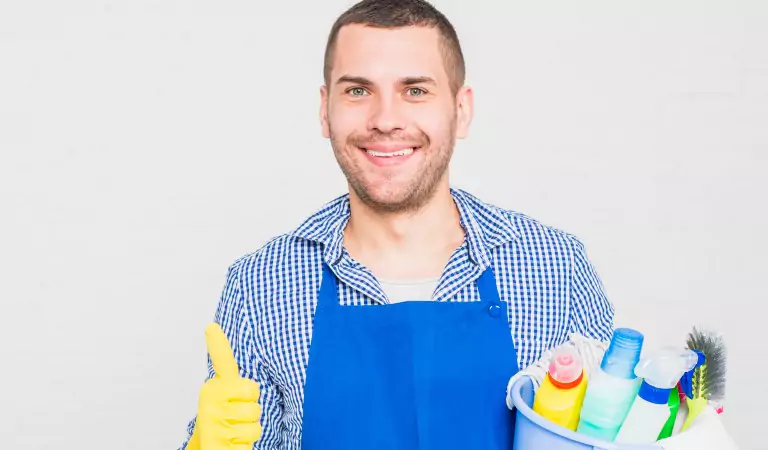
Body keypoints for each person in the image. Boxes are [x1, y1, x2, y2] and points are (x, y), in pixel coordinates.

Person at [179, 1, 615, 449]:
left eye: (415, 91)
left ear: (461, 110)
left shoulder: (555, 269)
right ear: (325, 109)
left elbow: (615, 431)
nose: (385, 120)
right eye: (358, 91)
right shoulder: (260, 286)